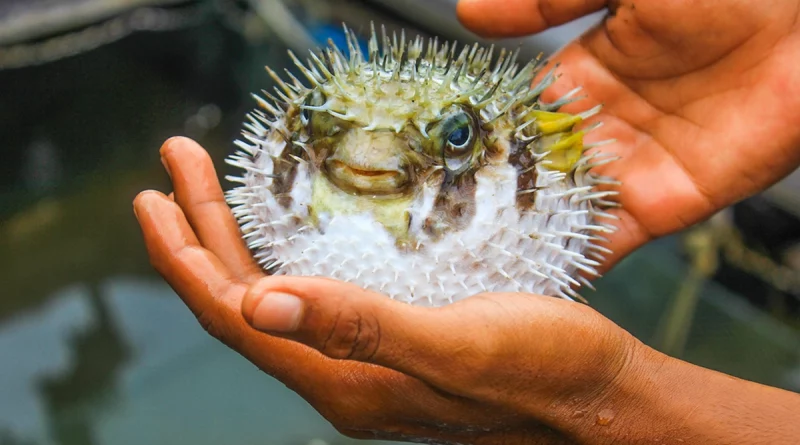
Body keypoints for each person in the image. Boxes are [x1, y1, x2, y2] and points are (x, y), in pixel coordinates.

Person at [132, 0, 800, 443]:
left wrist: (612, 397)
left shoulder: (548, 169)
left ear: (526, 159)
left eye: (454, 140)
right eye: (319, 130)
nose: (370, 159)